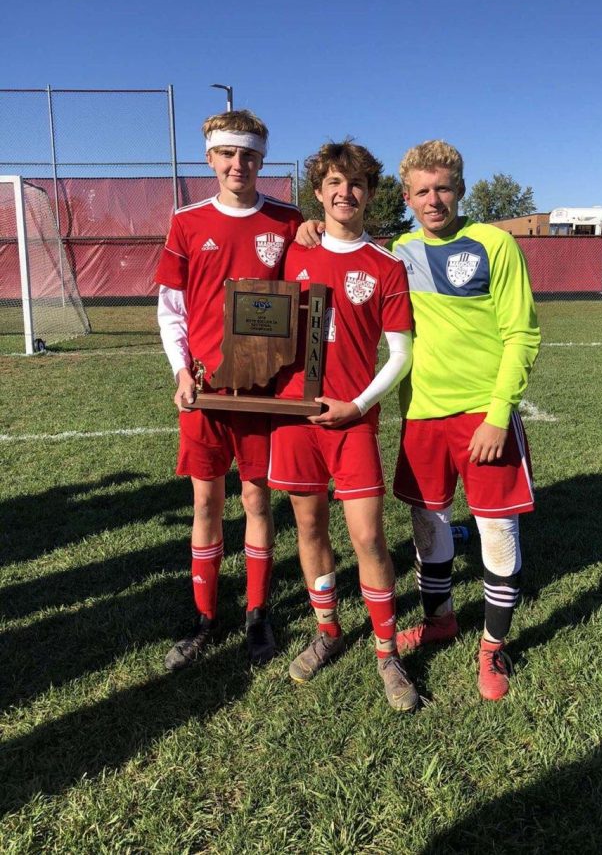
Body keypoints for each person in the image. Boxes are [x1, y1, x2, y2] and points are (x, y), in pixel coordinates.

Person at [297, 140, 540, 701]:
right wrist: (305, 231)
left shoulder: (495, 245)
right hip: (423, 416)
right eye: (422, 191)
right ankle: (440, 621)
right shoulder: (397, 253)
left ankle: (493, 648)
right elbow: (344, 247)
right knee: (430, 530)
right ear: (406, 197)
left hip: (483, 415)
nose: (434, 200)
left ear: (461, 189)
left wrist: (499, 415)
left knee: (497, 534)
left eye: (444, 189)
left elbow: (521, 335)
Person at [267, 140, 419, 711]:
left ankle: (386, 652)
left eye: (355, 183)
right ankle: (327, 630)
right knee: (309, 531)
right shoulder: (291, 252)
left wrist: (357, 405)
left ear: (370, 193)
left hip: (351, 421)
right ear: (319, 191)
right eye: (334, 182)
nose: (344, 192)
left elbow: (399, 354)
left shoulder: (385, 266)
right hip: (295, 418)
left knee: (367, 536)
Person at [155, 109, 302, 670]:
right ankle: (204, 617)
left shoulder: (290, 222)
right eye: (228, 154)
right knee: (206, 501)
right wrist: (181, 371)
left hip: (263, 393)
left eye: (249, 155)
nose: (238, 164)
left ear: (262, 160)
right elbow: (171, 310)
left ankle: (257, 614)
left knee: (257, 499)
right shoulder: (187, 222)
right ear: (210, 158)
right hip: (206, 391)